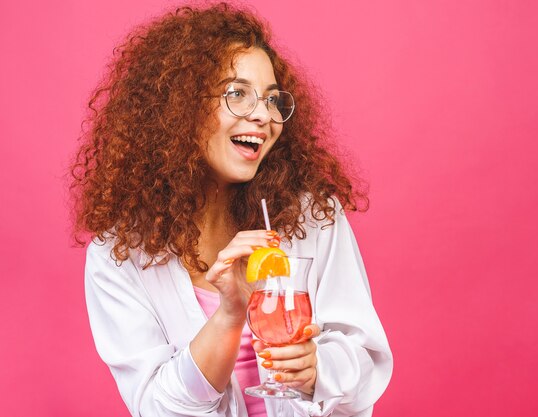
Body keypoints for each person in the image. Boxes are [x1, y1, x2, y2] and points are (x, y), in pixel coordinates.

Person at [71, 3, 392, 417]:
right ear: (179, 107)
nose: (263, 115)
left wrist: (318, 369)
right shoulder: (120, 254)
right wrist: (229, 314)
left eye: (272, 99)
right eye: (237, 93)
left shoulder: (312, 216)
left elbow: (365, 357)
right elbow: (157, 409)